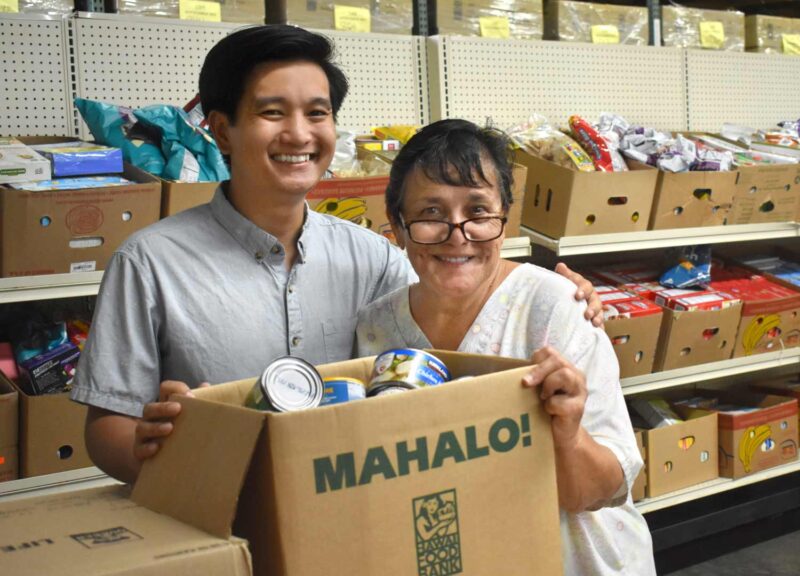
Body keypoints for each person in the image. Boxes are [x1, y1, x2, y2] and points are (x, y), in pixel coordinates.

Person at [71, 25, 601, 485]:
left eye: (317, 113)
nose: (299, 133)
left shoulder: (373, 256)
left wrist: (558, 292)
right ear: (222, 129)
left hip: (347, 513)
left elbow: (455, 286)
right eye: (272, 112)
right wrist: (154, 446)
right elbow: (105, 427)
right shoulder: (149, 262)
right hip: (218, 514)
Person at [355, 119, 656, 575]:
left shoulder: (556, 309)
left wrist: (569, 433)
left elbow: (600, 491)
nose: (458, 234)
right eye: (431, 214)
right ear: (397, 225)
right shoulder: (376, 329)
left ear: (505, 216)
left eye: (478, 211)